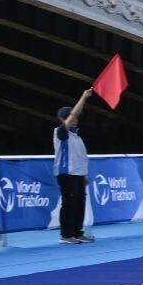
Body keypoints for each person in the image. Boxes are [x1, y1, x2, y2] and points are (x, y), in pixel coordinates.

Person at [52, 87, 95, 243]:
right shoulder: (60, 132)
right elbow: (75, 114)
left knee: (79, 203)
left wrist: (84, 175)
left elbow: (80, 158)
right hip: (66, 173)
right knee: (69, 203)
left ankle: (77, 232)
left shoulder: (77, 137)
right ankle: (65, 235)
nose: (76, 118)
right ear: (64, 119)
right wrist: (84, 97)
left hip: (77, 174)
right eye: (71, 116)